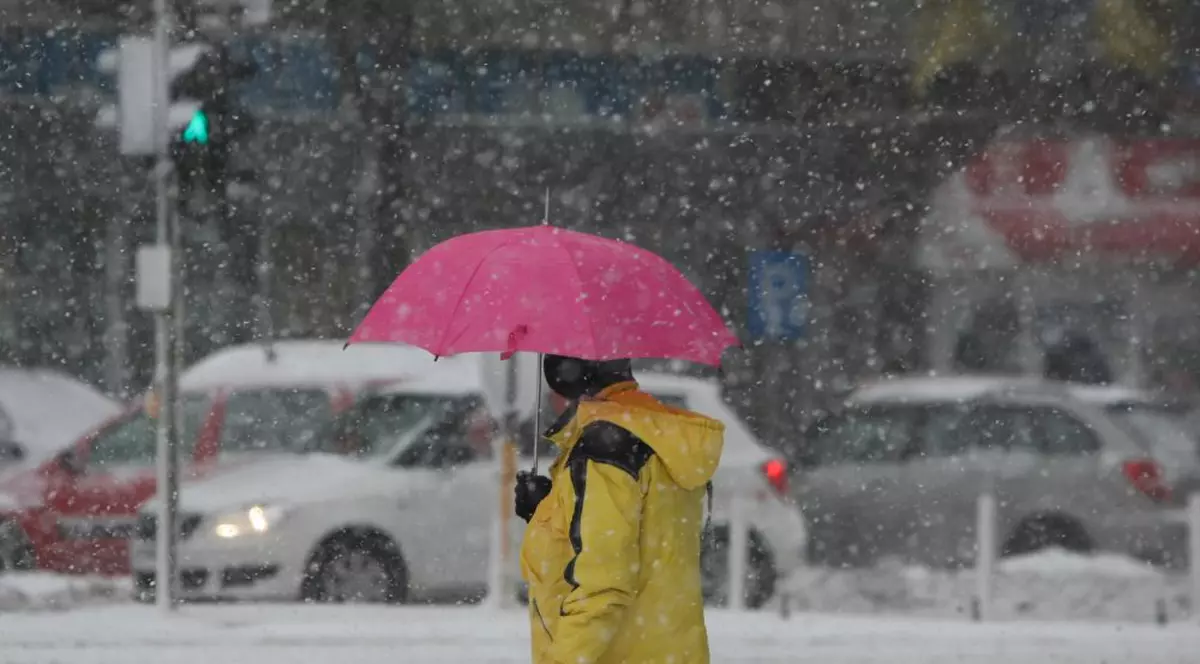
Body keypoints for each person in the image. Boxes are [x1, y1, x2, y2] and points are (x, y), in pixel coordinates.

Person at [514, 354, 725, 664]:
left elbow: (602, 585)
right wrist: (546, 510)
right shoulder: (654, 434)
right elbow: (637, 539)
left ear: (569, 374)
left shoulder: (605, 449)